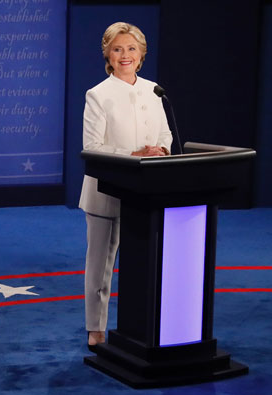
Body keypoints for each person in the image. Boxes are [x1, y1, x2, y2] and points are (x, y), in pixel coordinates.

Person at [79, 22, 172, 347]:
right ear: (107, 53)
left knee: (143, 266)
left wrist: (161, 150)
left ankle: (141, 328)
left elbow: (165, 134)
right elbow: (92, 146)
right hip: (106, 191)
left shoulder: (154, 90)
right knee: (101, 266)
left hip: (146, 194)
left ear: (142, 53)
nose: (125, 55)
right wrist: (133, 153)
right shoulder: (98, 94)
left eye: (131, 49)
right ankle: (96, 328)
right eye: (118, 49)